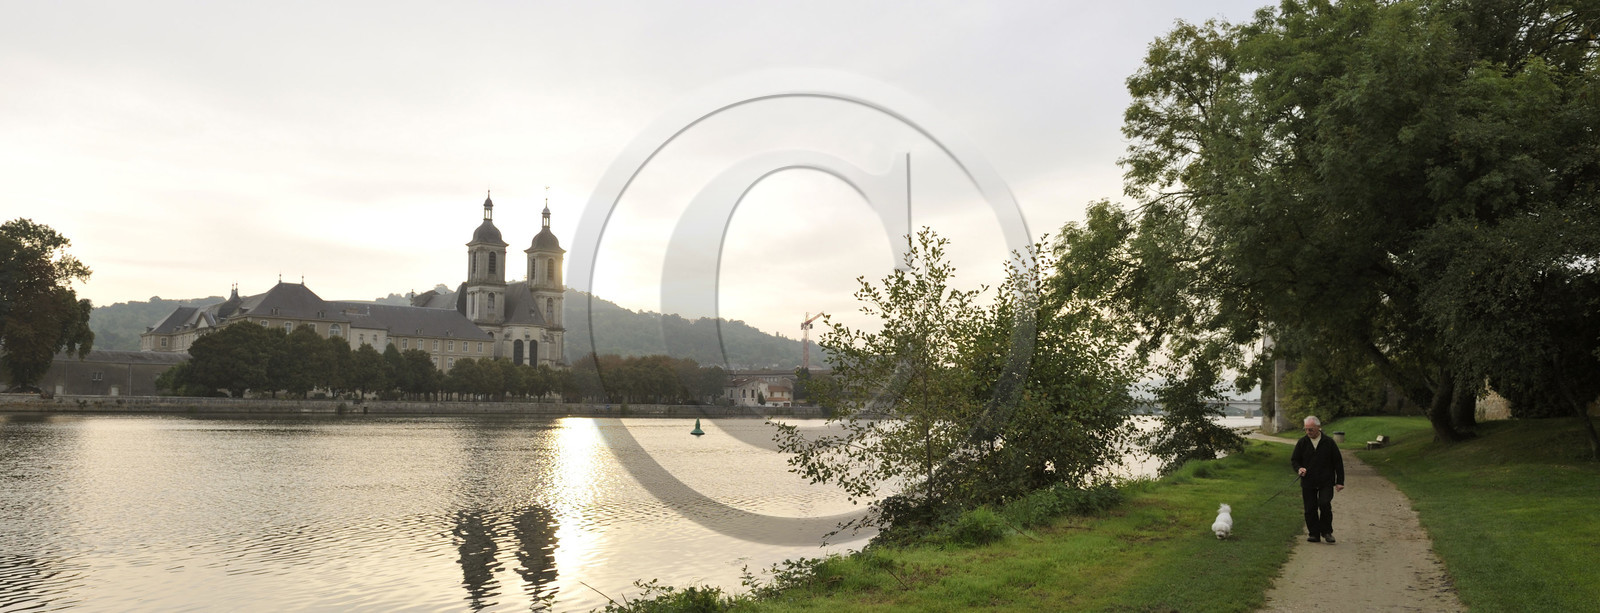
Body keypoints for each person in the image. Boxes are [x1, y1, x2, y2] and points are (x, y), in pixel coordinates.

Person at [1291, 415, 1345, 543]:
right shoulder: (1302, 442)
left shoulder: (1329, 442)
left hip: (1326, 480)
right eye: (1306, 429)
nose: (1308, 432)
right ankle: (1314, 533)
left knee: (1324, 504)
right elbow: (1295, 460)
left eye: (1311, 429)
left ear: (1318, 428)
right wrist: (1299, 469)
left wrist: (1340, 482)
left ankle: (1326, 532)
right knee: (1310, 508)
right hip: (1308, 481)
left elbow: (1338, 462)